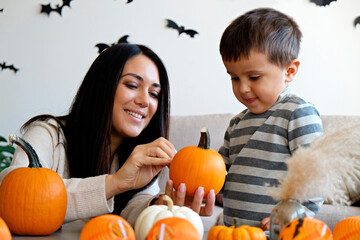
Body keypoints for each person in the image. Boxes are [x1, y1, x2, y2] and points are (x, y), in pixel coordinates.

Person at [0, 43, 214, 226]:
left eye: (154, 93)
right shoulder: (47, 134)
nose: (145, 101)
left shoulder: (139, 153)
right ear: (102, 86)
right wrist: (116, 182)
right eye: (132, 85)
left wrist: (159, 207)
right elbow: (14, 197)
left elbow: (133, 209)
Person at [217, 8, 323, 230]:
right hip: (233, 232)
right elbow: (216, 172)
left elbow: (316, 178)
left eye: (254, 77)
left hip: (277, 232)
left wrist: (295, 215)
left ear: (289, 71)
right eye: (234, 78)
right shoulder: (236, 124)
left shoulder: (297, 113)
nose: (243, 88)